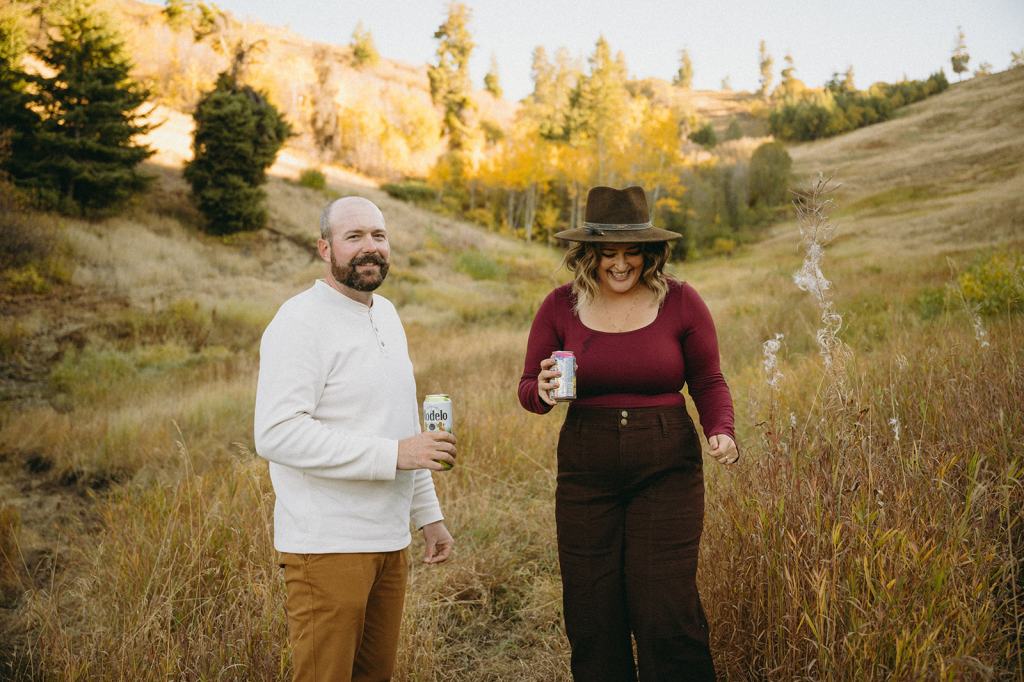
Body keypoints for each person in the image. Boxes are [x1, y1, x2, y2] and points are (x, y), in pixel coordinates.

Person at [517, 186, 739, 681]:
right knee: (592, 609)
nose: (620, 265)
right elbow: (528, 387)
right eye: (607, 253)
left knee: (665, 607)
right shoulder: (560, 306)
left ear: (650, 252)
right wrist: (545, 390)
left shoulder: (681, 301)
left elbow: (707, 380)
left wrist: (720, 429)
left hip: (667, 470)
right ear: (588, 254)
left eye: (631, 252)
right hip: (585, 472)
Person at [255, 196, 457, 682]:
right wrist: (393, 455)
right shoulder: (299, 321)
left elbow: (403, 426)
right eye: (354, 237)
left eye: (378, 236)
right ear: (325, 248)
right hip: (327, 546)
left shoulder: (386, 313)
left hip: (389, 543)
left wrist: (428, 517)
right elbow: (276, 433)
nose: (370, 248)